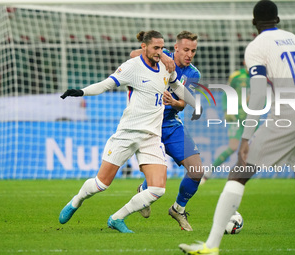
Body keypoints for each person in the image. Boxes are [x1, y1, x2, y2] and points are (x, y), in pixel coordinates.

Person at [179, 0, 295, 253]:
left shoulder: (256, 46)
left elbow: (259, 94)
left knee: (238, 173)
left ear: (254, 23)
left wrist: (246, 137)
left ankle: (210, 246)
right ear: (278, 20)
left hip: (288, 112)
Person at [58, 30, 199, 233]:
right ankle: (76, 200)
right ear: (144, 47)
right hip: (129, 133)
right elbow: (106, 84)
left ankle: (117, 218)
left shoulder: (167, 67)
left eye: (161, 48)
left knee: (157, 189)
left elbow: (178, 86)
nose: (159, 52)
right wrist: (81, 92)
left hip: (152, 136)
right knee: (101, 184)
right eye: (156, 48)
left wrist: (194, 101)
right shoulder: (132, 67)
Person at [130, 31, 204, 231]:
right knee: (159, 175)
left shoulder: (193, 74)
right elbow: (132, 55)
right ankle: (143, 191)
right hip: (149, 123)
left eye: (193, 51)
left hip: (171, 124)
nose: (190, 54)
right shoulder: (158, 57)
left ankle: (178, 209)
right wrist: (163, 55)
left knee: (197, 170)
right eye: (186, 50)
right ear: (176, 48)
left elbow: (184, 103)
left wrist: (175, 102)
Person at [201, 62, 249, 184]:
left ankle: (240, 177)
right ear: (245, 62)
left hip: (252, 118)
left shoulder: (260, 78)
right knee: (233, 146)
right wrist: (227, 109)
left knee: (248, 149)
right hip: (236, 116)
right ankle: (209, 171)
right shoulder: (237, 76)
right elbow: (226, 92)